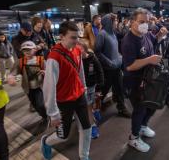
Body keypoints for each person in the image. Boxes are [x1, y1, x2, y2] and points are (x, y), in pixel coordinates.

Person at [41, 21, 91, 160]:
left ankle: (84, 156)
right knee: (63, 136)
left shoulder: (76, 50)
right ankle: (46, 142)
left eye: (77, 37)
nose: (76, 41)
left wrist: (84, 87)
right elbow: (49, 87)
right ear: (61, 36)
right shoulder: (54, 58)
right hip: (63, 102)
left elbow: (79, 71)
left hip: (79, 96)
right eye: (73, 38)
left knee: (87, 129)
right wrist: (53, 113)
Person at [121, 8, 168, 152]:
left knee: (152, 105)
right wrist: (149, 60)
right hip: (134, 82)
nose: (145, 25)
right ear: (132, 22)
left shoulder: (146, 34)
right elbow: (129, 66)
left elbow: (155, 41)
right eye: (141, 22)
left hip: (148, 79)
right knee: (140, 109)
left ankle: (142, 126)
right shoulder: (128, 41)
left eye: (147, 22)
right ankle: (134, 138)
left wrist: (160, 35)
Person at [95, 13, 131, 118]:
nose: (116, 22)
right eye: (114, 21)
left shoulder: (113, 34)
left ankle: (121, 108)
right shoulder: (102, 34)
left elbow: (114, 49)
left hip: (116, 68)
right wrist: (109, 62)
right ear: (108, 22)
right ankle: (94, 110)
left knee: (119, 89)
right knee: (103, 91)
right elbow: (97, 52)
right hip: (107, 70)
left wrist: (119, 57)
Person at [8, 41, 48, 124]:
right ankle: (43, 116)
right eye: (24, 50)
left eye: (29, 50)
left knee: (40, 105)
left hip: (40, 87)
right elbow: (13, 72)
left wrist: (45, 72)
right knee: (35, 105)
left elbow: (49, 71)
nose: (27, 52)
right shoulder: (20, 61)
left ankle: (46, 117)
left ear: (35, 50)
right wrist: (11, 77)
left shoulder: (40, 60)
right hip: (28, 88)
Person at [79, 40, 104, 139]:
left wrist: (99, 86)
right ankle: (92, 125)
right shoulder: (76, 60)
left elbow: (100, 71)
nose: (77, 50)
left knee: (95, 100)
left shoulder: (92, 58)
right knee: (88, 106)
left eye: (79, 48)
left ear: (84, 49)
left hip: (92, 86)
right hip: (82, 89)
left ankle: (96, 111)